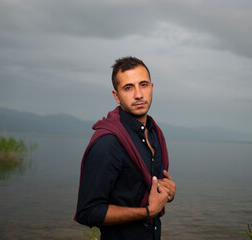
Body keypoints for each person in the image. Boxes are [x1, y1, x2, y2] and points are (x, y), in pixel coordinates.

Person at [75, 56, 176, 240]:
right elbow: (87, 212)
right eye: (128, 88)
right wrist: (148, 212)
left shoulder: (155, 134)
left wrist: (167, 192)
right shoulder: (108, 144)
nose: (138, 94)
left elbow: (148, 187)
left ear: (151, 88)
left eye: (143, 85)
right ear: (116, 96)